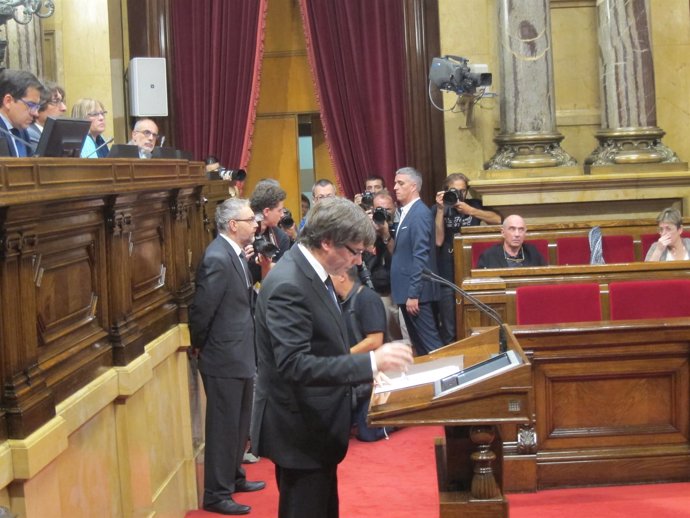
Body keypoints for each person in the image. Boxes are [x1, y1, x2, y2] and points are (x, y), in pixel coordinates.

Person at [251, 197, 413, 518]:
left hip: (317, 426)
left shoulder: (314, 272)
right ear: (326, 242)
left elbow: (325, 344)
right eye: (354, 251)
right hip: (300, 430)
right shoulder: (289, 284)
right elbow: (296, 364)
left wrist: (364, 373)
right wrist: (370, 362)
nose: (357, 262)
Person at [188, 197, 266, 515]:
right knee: (223, 426)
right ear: (233, 225)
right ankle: (216, 494)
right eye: (250, 220)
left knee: (238, 423)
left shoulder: (234, 254)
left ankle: (234, 477)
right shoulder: (217, 257)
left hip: (240, 352)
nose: (256, 224)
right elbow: (203, 309)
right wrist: (200, 343)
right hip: (223, 355)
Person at [434, 173, 501, 344]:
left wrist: (471, 211)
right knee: (449, 325)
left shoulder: (474, 205)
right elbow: (438, 240)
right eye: (454, 191)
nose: (459, 195)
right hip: (446, 273)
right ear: (445, 190)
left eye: (463, 191)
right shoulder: (438, 209)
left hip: (471, 272)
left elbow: (499, 220)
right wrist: (441, 210)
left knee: (472, 320)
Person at [331, 266, 392, 442]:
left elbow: (375, 340)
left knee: (368, 434)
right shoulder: (340, 301)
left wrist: (343, 356)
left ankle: (400, 415)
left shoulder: (367, 299)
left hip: (374, 376)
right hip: (351, 376)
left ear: (342, 275)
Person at [390, 166, 443, 355]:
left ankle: (448, 380)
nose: (395, 187)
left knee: (431, 345)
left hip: (417, 295)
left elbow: (421, 255)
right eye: (395, 182)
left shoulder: (420, 213)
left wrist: (413, 294)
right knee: (420, 346)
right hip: (407, 294)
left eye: (400, 183)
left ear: (413, 187)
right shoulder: (408, 212)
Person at [363, 190, 402, 340]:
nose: (383, 214)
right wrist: (368, 232)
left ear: (395, 208)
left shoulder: (399, 227)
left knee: (397, 338)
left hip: (393, 292)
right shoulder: (366, 230)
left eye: (387, 210)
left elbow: (398, 257)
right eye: (378, 210)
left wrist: (386, 234)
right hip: (373, 290)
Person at [248, 180, 292, 282]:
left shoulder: (281, 237)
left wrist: (267, 265)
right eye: (280, 210)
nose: (282, 215)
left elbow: (283, 273)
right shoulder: (243, 234)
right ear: (266, 211)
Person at [0, 69, 43, 157]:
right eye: (31, 105)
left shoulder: (22, 131)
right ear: (8, 101)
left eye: (37, 107)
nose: (36, 114)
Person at [477, 214, 546, 268]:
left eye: (521, 229)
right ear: (503, 233)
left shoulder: (532, 253)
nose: (517, 234)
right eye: (512, 229)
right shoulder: (489, 255)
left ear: (525, 233)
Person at [27, 81, 67, 148]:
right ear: (37, 105)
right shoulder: (29, 134)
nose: (64, 108)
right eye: (55, 101)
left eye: (62, 101)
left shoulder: (57, 134)